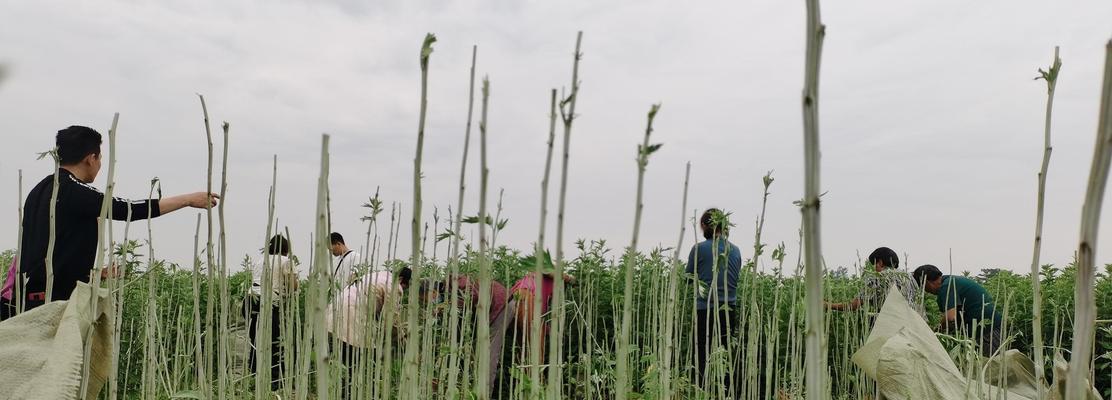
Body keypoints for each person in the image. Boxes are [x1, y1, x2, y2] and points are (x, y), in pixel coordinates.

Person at [19, 126, 216, 310]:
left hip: (28, 298)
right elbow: (127, 209)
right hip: (54, 303)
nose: (100, 164)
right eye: (100, 158)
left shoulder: (39, 190)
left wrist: (94, 274)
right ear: (91, 158)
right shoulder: (73, 190)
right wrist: (188, 200)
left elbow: (54, 246)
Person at [685, 207, 742, 387]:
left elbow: (688, 278)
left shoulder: (699, 249)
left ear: (703, 225)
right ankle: (726, 392)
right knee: (725, 355)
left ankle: (702, 391)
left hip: (705, 309)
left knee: (702, 355)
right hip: (729, 309)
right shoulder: (735, 250)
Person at [429, 274, 510, 391]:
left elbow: (472, 296)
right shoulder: (451, 288)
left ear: (437, 290)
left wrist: (448, 305)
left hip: (501, 306)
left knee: (490, 353)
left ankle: (484, 393)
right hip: (499, 306)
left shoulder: (455, 283)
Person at [913, 264, 1003, 357]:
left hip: (986, 330)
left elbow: (950, 318)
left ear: (927, 282)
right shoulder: (950, 280)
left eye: (923, 287)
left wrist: (935, 332)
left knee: (992, 363)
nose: (926, 291)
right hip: (990, 326)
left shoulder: (946, 286)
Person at [244, 234, 297, 390]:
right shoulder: (286, 261)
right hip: (269, 303)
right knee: (275, 341)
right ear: (286, 249)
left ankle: (254, 376)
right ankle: (275, 381)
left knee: (256, 340)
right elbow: (292, 285)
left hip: (250, 301)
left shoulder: (261, 260)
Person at [827, 247, 924, 318]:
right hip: (916, 326)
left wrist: (827, 305)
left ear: (880, 262)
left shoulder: (877, 279)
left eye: (874, 264)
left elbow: (853, 306)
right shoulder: (909, 278)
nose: (874, 269)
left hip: (893, 328)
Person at [507, 270, 574, 364]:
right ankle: (536, 377)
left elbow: (536, 320)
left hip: (511, 304)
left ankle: (522, 377)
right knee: (536, 348)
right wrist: (569, 278)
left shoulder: (529, 280)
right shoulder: (548, 276)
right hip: (526, 298)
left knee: (522, 348)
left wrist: (550, 331)